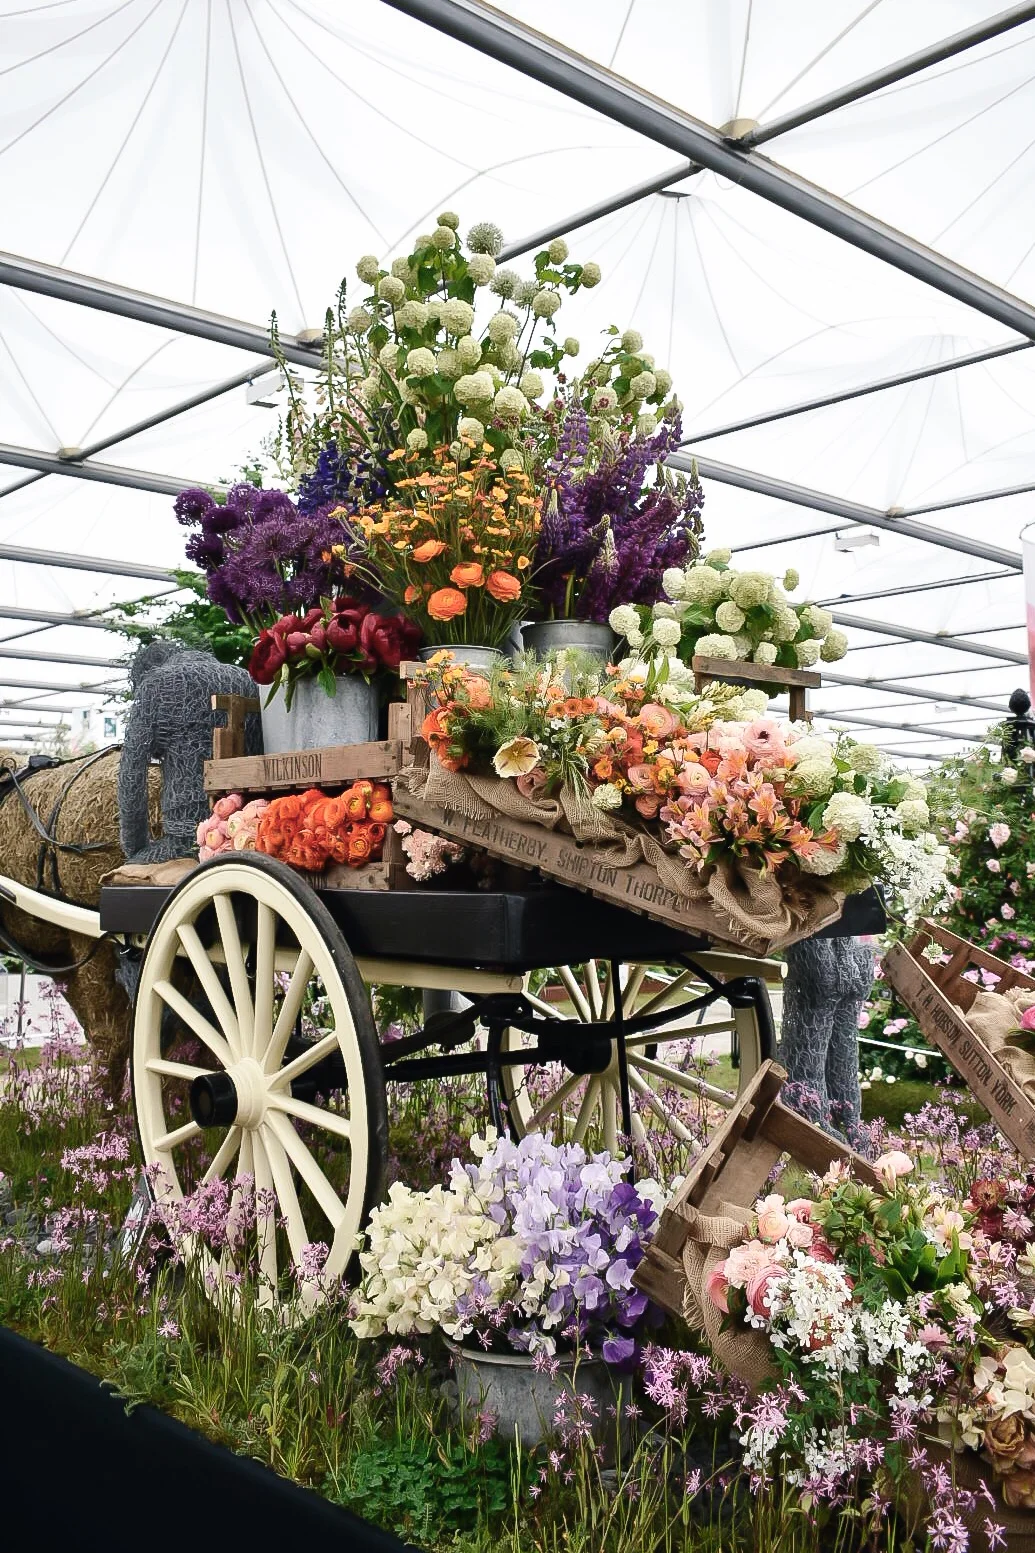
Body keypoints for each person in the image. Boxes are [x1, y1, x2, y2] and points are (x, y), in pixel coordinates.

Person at [118, 641, 257, 864]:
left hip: (183, 838)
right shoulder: (245, 679)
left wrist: (135, 848)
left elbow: (132, 776)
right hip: (246, 826)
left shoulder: (155, 684)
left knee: (131, 867)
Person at [777, 934, 875, 1149]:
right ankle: (810, 1103)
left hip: (840, 933)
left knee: (842, 1040)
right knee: (818, 1018)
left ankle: (840, 1111)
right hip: (814, 936)